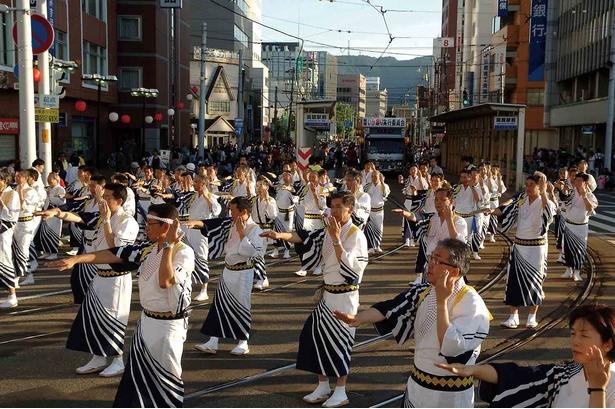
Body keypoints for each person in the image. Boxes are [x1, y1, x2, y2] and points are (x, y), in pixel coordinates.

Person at [48, 204, 194, 407]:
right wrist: (77, 259)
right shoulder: (148, 248)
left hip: (169, 325)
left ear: (166, 228)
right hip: (147, 321)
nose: (146, 228)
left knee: (167, 376)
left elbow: (166, 280)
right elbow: (115, 253)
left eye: (150, 224)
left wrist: (169, 246)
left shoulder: (183, 252)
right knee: (141, 375)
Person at [333, 238, 490, 408]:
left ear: (453, 272)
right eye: (430, 258)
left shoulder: (472, 303)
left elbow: (451, 347)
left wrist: (441, 302)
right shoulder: (424, 291)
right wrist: (358, 319)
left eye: (437, 260)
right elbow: (391, 308)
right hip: (417, 386)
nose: (430, 264)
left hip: (449, 397)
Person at [261, 192, 369, 408]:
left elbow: (354, 269)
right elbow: (305, 236)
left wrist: (337, 239)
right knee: (315, 337)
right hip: (327, 293)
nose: (334, 210)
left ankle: (341, 390)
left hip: (345, 295)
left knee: (341, 341)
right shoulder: (330, 230)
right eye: (333, 206)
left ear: (350, 209)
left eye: (339, 206)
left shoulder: (356, 235)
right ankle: (323, 385)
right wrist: (278, 236)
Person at [40, 183, 138, 377]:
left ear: (119, 201)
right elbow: (80, 218)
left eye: (107, 197)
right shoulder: (102, 216)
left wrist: (108, 221)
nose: (103, 200)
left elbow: (116, 251)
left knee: (114, 318)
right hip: (99, 275)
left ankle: (118, 360)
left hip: (116, 278)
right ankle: (98, 357)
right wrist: (57, 213)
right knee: (93, 316)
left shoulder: (127, 221)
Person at [436, 304, 615, 408]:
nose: (575, 341)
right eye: (572, 333)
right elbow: (519, 377)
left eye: (583, 335)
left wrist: (598, 389)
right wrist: (472, 370)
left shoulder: (611, 384)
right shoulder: (567, 373)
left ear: (608, 344)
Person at [193, 196, 263, 356]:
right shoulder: (232, 224)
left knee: (242, 306)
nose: (230, 213)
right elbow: (214, 225)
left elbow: (251, 252)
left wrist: (240, 233)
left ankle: (243, 342)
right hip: (228, 270)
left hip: (243, 272)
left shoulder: (255, 229)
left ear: (243, 211)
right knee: (220, 305)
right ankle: (213, 341)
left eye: (233, 210)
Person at [488, 173, 556, 328]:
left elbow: (549, 212)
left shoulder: (545, 201)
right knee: (513, 281)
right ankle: (513, 316)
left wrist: (545, 192)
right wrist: (492, 211)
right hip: (519, 246)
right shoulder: (522, 200)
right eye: (527, 185)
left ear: (540, 187)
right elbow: (506, 209)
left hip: (536, 248)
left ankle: (532, 316)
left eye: (532, 185)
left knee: (535, 282)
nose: (528, 187)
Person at [394, 187, 468, 285]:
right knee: (429, 296)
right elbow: (417, 218)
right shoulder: (432, 219)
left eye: (442, 200)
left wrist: (449, 220)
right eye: (436, 199)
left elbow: (460, 245)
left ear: (450, 202)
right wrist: (405, 213)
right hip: (431, 265)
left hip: (448, 266)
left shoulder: (459, 221)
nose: (438, 202)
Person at [559, 172, 598, 282]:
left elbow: (591, 208)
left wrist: (584, 196)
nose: (577, 182)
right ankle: (568, 269)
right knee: (567, 248)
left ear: (585, 183)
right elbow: (564, 202)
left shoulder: (590, 195)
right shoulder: (572, 192)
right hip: (569, 224)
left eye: (580, 180)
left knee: (579, 250)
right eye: (576, 180)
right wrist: (563, 191)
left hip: (581, 227)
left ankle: (577, 271)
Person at [0, 170, 21, 308]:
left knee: (4, 260)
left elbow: (12, 216)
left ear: (4, 181)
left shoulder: (12, 194)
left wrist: (1, 202)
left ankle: (12, 295)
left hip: (4, 231)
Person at [34, 172, 66, 261]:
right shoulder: (49, 188)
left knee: (54, 233)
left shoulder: (60, 189)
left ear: (56, 179)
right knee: (45, 233)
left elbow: (60, 202)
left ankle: (54, 253)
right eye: (48, 178)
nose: (49, 180)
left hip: (55, 214)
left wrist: (49, 195)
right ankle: (47, 252)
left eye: (51, 178)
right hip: (46, 213)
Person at [365, 171, 390, 253]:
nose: (373, 178)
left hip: (379, 211)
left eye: (375, 176)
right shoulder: (367, 186)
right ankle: (371, 247)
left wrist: (382, 182)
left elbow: (385, 195)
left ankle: (377, 246)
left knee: (379, 229)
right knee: (369, 229)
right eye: (372, 176)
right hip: (369, 211)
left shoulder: (385, 186)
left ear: (380, 177)